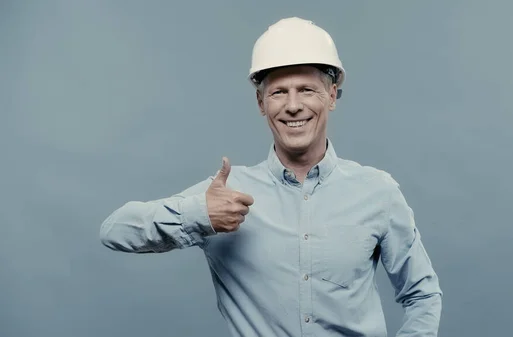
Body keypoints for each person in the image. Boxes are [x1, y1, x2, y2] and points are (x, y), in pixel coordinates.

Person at [100, 17, 442, 337]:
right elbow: (114, 231)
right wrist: (200, 215)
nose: (293, 106)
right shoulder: (224, 197)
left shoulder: (377, 192)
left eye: (307, 90)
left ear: (332, 96)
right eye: (279, 92)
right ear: (261, 102)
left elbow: (422, 294)